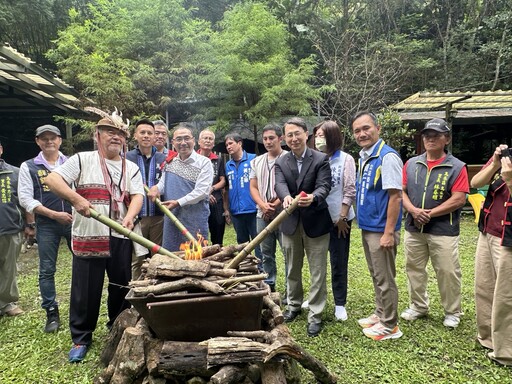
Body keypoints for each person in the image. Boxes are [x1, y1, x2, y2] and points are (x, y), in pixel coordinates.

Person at [45, 111, 144, 363]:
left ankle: (118, 328)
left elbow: (137, 196)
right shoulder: (82, 159)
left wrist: (131, 216)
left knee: (121, 285)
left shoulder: (130, 166)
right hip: (89, 235)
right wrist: (77, 199)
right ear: (97, 135)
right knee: (85, 290)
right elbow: (53, 179)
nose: (116, 137)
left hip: (120, 235)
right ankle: (81, 337)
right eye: (110, 132)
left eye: (120, 134)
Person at [400, 118, 468, 329]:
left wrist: (430, 213)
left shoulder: (456, 167)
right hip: (414, 227)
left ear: (446, 139)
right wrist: (413, 210)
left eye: (436, 135)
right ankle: (418, 306)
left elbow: (459, 198)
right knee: (414, 268)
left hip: (443, 229)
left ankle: (452, 311)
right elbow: (400, 192)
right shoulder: (411, 163)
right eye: (427, 135)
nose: (430, 139)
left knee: (447, 271)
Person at [274, 117, 331, 337]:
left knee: (317, 270)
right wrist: (286, 197)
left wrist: (314, 198)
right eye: (289, 135)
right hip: (289, 222)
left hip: (315, 221)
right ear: (285, 138)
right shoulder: (281, 161)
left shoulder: (320, 159)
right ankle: (294, 305)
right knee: (291, 268)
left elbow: (324, 186)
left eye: (297, 133)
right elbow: (279, 183)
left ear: (306, 133)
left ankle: (315, 315)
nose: (294, 138)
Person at [351, 111, 403, 341]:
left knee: (385, 278)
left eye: (366, 128)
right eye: (357, 131)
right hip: (368, 226)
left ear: (378, 128)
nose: (362, 134)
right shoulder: (365, 156)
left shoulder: (387, 157)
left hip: (382, 229)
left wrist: (389, 233)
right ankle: (381, 314)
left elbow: (395, 197)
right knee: (376, 274)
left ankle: (390, 325)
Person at [18, 125, 73, 332]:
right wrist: (52, 214)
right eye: (44, 138)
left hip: (72, 221)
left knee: (82, 265)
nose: (49, 141)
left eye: (53, 138)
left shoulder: (70, 163)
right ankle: (51, 313)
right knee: (47, 270)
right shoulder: (29, 166)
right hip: (47, 224)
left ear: (60, 140)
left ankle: (79, 306)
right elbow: (25, 198)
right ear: (37, 141)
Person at [471, 144, 512, 366]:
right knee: (484, 287)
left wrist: (510, 179)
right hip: (488, 232)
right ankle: (487, 338)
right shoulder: (506, 159)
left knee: (506, 295)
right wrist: (495, 164)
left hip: (508, 238)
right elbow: (475, 183)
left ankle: (506, 352)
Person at [313, 120, 356, 321]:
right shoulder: (315, 158)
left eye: (322, 135)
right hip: (318, 218)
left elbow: (349, 189)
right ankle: (316, 297)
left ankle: (340, 303)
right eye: (316, 135)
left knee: (338, 260)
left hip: (340, 219)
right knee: (317, 261)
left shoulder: (345, 159)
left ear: (332, 136)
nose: (318, 139)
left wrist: (342, 216)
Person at [149, 124, 213, 251]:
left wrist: (178, 202)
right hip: (172, 218)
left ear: (193, 140)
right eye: (179, 139)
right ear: (173, 142)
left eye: (186, 138)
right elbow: (163, 183)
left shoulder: (204, 163)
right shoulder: (170, 162)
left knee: (195, 255)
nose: (183, 143)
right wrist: (155, 188)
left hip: (194, 219)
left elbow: (202, 192)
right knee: (173, 256)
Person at [126, 119, 166, 279]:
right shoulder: (127, 158)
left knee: (158, 256)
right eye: (142, 132)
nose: (146, 136)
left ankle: (158, 289)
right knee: (137, 258)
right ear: (135, 135)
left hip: (159, 216)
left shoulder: (163, 158)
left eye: (150, 133)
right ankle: (137, 291)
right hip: (136, 218)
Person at [250, 124, 287, 292]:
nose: (268, 142)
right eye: (265, 139)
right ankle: (270, 285)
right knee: (266, 253)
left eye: (271, 138)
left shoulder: (289, 158)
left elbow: (293, 185)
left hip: (285, 213)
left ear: (280, 138)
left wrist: (276, 204)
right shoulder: (256, 161)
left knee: (288, 253)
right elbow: (253, 187)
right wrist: (263, 205)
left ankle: (289, 290)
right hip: (262, 214)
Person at [224, 133, 261, 261]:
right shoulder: (228, 165)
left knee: (258, 242)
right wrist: (227, 209)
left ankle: (261, 270)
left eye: (231, 143)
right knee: (242, 244)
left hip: (253, 209)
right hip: (236, 212)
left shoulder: (254, 159)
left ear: (239, 143)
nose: (228, 147)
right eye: (226, 145)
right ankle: (246, 269)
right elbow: (227, 189)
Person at [0, 140, 25, 317]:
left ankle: (7, 302)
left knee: (8, 268)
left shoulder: (14, 173)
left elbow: (24, 201)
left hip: (9, 227)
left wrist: (30, 225)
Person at [197, 129, 226, 246]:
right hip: (198, 200)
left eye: (210, 139)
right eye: (205, 138)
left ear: (213, 143)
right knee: (199, 235)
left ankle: (218, 257)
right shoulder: (193, 159)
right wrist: (205, 193)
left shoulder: (217, 159)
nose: (208, 141)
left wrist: (212, 189)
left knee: (218, 232)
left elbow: (223, 181)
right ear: (199, 141)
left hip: (216, 201)